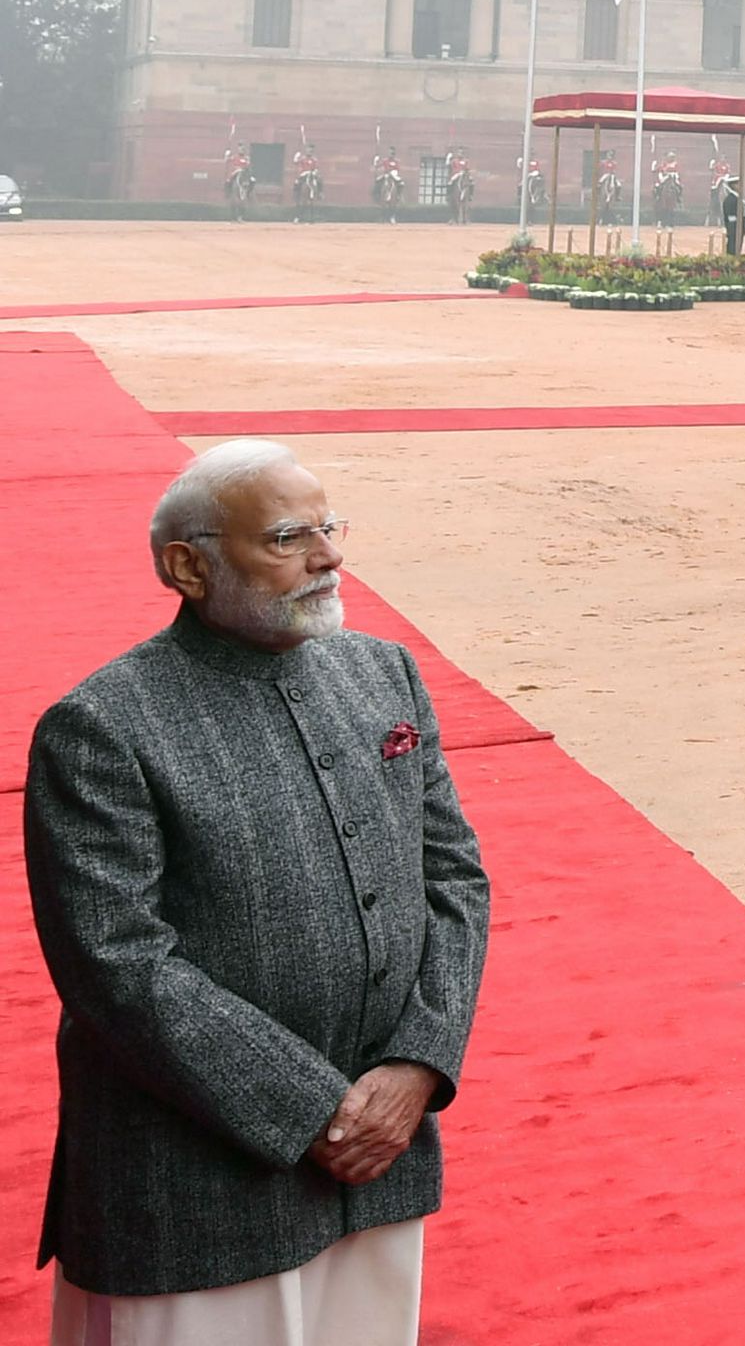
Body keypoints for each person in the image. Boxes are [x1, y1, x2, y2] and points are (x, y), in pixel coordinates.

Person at [25, 441, 490, 1345]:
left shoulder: (383, 671)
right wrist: (315, 1111)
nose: (329, 556)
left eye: (329, 527)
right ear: (188, 567)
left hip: (382, 1158)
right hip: (192, 1187)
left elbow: (453, 875)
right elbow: (116, 965)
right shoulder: (101, 726)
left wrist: (418, 1066)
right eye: (288, 538)